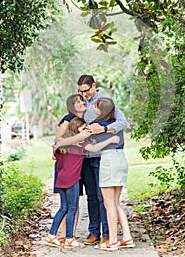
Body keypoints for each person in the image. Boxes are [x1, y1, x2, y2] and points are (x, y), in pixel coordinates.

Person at [46, 117, 120, 249]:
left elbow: (54, 156)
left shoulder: (64, 145)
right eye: (83, 127)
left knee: (64, 208)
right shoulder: (81, 145)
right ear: (76, 129)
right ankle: (69, 238)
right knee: (72, 209)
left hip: (61, 179)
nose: (86, 129)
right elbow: (95, 148)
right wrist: (111, 140)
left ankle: (51, 235)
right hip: (72, 180)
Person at [77, 74, 129, 245]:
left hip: (103, 157)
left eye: (87, 90)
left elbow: (122, 122)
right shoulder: (81, 103)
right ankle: (94, 232)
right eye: (81, 91)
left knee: (103, 198)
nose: (85, 94)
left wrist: (104, 129)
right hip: (86, 156)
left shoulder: (106, 102)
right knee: (91, 196)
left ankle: (108, 234)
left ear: (94, 85)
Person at [91, 97, 135, 251]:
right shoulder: (116, 125)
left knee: (108, 204)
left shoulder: (95, 126)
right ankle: (127, 237)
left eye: (95, 106)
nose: (93, 108)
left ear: (100, 110)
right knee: (116, 203)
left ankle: (113, 241)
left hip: (108, 160)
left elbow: (90, 146)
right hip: (121, 159)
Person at [52, 94, 87, 244]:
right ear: (72, 106)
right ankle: (64, 235)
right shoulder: (68, 120)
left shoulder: (85, 119)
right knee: (69, 205)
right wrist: (78, 140)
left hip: (76, 163)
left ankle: (70, 235)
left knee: (73, 203)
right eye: (77, 102)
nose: (81, 103)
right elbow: (58, 139)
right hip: (67, 165)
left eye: (82, 100)